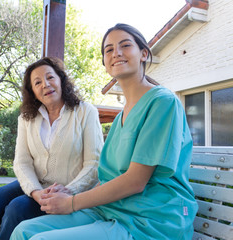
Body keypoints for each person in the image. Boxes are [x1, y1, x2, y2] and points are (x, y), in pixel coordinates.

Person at [10, 23, 198, 240]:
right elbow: (107, 177)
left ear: (144, 54)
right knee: (23, 231)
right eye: (109, 49)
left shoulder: (162, 103)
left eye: (125, 45)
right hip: (112, 209)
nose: (116, 53)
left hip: (151, 219)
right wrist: (67, 193)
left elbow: (135, 181)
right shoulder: (121, 117)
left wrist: (71, 203)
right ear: (105, 64)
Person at [0, 57, 104, 240]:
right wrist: (35, 191)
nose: (45, 84)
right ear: (32, 91)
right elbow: (22, 162)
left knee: (17, 208)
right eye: (37, 82)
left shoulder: (86, 112)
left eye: (50, 77)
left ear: (61, 80)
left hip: (68, 189)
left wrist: (68, 192)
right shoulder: (27, 118)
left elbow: (94, 163)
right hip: (37, 185)